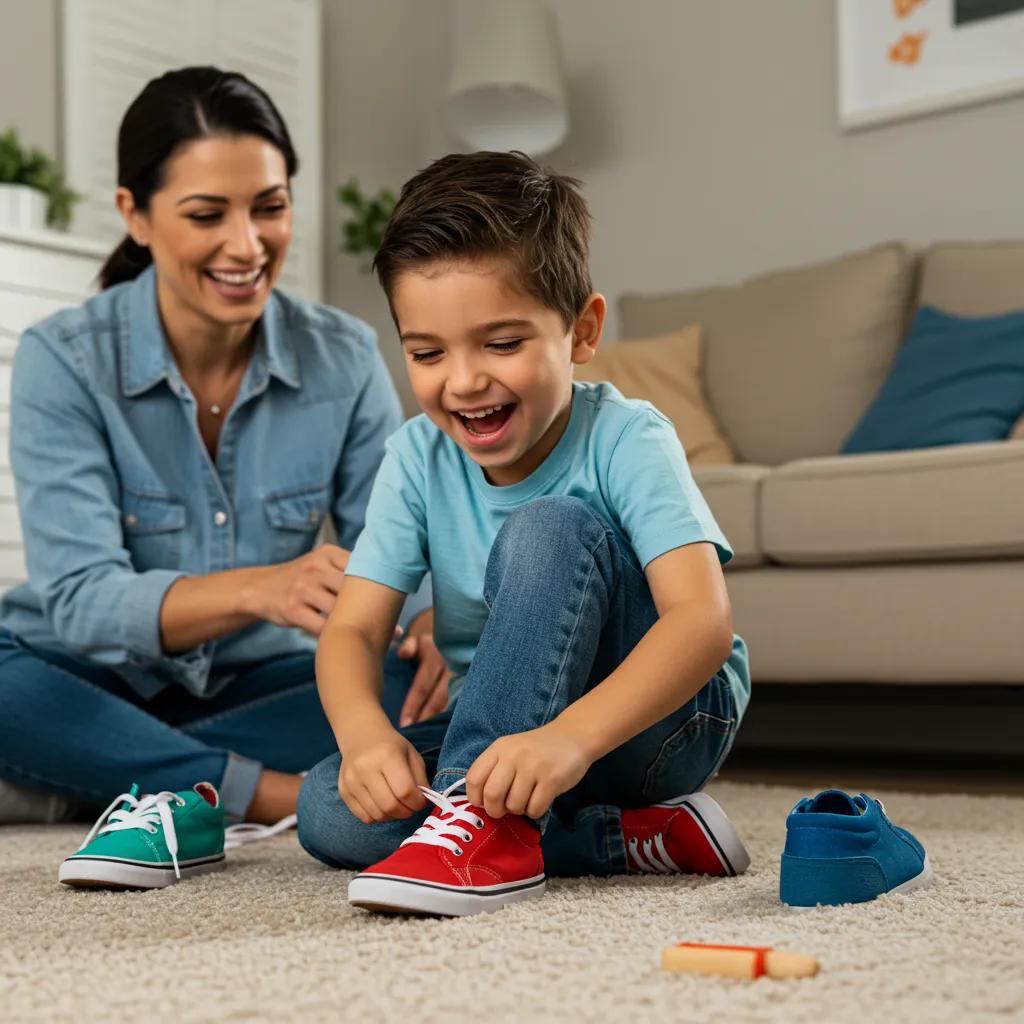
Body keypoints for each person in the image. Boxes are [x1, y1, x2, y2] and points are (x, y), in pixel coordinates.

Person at [297, 151, 752, 916]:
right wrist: (365, 735)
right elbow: (351, 630)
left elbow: (702, 623)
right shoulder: (415, 456)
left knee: (549, 526)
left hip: (658, 728)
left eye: (501, 344)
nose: (464, 380)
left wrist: (570, 739)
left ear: (581, 331)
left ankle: (477, 829)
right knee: (327, 807)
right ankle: (620, 839)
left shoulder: (627, 436)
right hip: (521, 745)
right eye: (427, 353)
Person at [0, 67, 447, 831]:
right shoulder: (62, 359)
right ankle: (264, 795)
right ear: (134, 216)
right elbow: (78, 601)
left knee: (427, 690)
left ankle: (88, 777)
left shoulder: (342, 357)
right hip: (87, 676)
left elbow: (401, 546)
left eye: (269, 208)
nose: (247, 245)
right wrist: (258, 589)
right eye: (207, 215)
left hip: (264, 680)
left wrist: (437, 619)